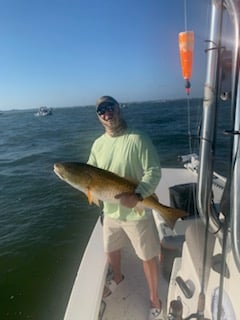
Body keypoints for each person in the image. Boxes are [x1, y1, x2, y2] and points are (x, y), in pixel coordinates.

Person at [87, 95, 162, 320]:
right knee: (111, 249)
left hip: (136, 211)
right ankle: (118, 277)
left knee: (147, 256)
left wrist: (139, 194)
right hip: (110, 211)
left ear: (118, 109)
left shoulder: (138, 138)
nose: (107, 113)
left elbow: (154, 171)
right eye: (101, 111)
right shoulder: (98, 144)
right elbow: (90, 173)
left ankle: (154, 298)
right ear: (99, 117)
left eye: (110, 107)